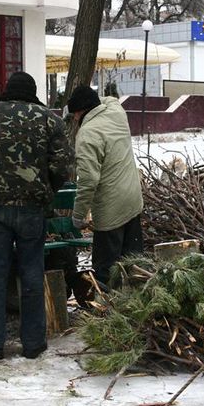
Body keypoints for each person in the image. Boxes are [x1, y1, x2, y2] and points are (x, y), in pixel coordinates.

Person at [0, 71, 72, 361]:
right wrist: (47, 188)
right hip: (32, 209)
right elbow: (62, 163)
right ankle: (33, 344)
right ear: (33, 93)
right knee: (32, 274)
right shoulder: (49, 119)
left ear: (6, 90)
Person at [67, 85, 144, 287]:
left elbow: (88, 181)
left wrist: (78, 215)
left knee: (106, 270)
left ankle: (107, 312)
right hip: (133, 200)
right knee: (134, 264)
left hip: (110, 210)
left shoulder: (87, 134)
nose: (74, 119)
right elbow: (109, 99)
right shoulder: (117, 112)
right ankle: (137, 305)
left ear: (80, 111)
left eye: (74, 114)